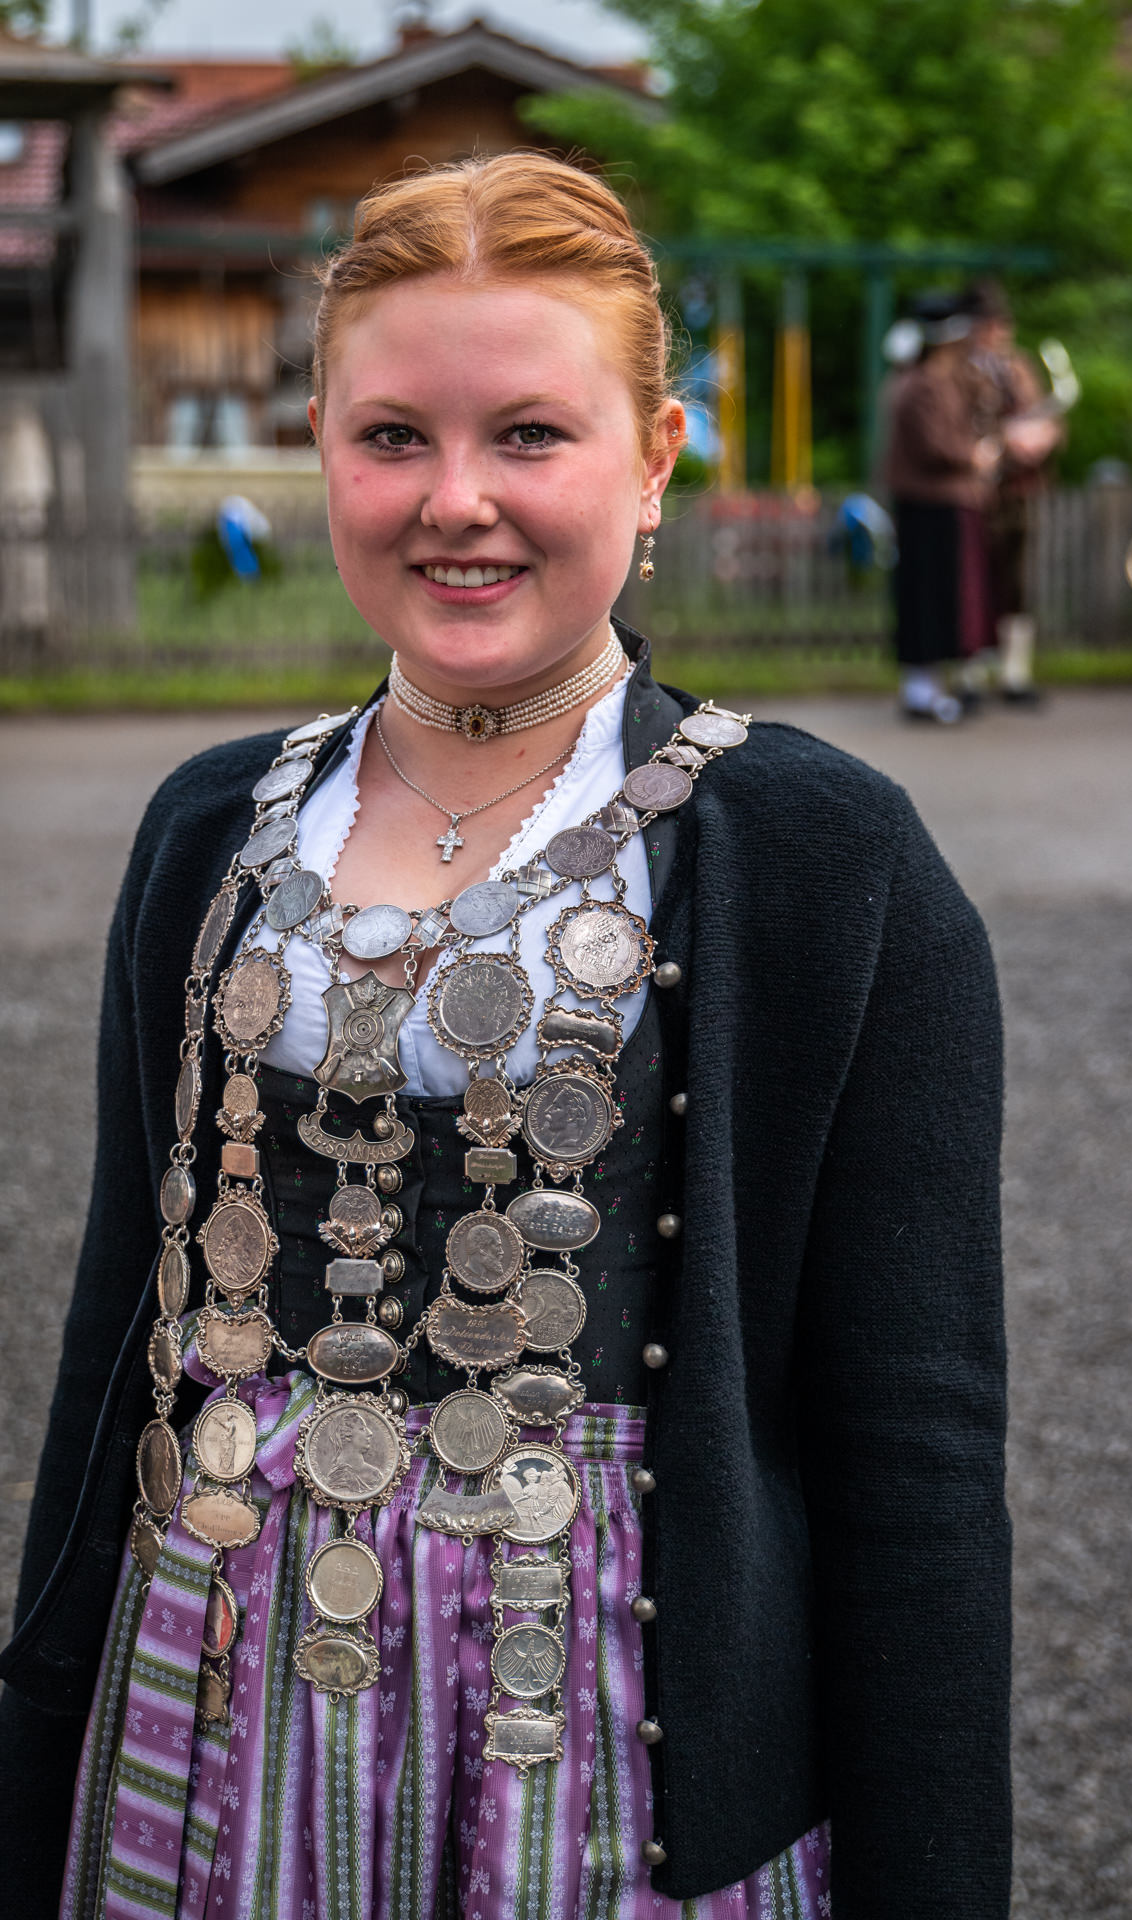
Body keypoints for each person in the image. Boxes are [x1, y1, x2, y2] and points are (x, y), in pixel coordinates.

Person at [0, 154, 1010, 1919]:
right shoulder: (210, 828)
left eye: (529, 434)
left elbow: (914, 1453)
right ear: (320, 444)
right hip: (217, 1683)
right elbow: (117, 1346)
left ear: (658, 454)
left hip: (602, 1725)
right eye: (392, 435)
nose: (454, 500)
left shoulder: (829, 859)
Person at [885, 291, 1002, 722]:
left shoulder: (945, 379)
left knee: (940, 599)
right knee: (927, 599)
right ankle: (922, 693)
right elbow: (935, 446)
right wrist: (975, 457)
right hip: (929, 506)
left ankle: (930, 689)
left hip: (942, 505)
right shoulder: (923, 383)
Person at [961, 281, 1063, 706]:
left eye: (1002, 324)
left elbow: (1046, 417)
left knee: (1017, 582)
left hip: (1019, 489)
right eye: (989, 325)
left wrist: (1044, 437)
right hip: (974, 491)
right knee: (973, 581)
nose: (998, 333)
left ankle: (1015, 673)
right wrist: (1004, 439)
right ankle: (971, 673)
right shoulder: (958, 369)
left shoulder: (1018, 366)